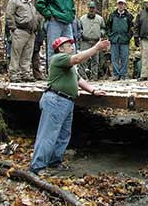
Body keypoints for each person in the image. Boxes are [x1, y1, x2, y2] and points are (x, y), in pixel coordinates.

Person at [30, 36, 110, 174]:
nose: (72, 47)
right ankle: (38, 167)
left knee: (63, 135)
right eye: (68, 45)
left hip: (66, 102)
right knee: (48, 135)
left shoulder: (69, 65)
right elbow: (78, 58)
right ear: (60, 48)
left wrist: (93, 90)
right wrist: (96, 48)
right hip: (56, 100)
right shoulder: (59, 58)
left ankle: (54, 163)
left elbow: (78, 79)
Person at [36, 0, 75, 64]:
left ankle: (70, 73)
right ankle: (53, 73)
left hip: (67, 22)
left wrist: (72, 16)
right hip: (55, 22)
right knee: (53, 48)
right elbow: (40, 4)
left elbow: (72, 6)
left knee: (71, 48)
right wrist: (49, 15)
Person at [6, 0, 40, 82]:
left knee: (27, 55)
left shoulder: (30, 3)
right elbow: (9, 14)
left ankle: (25, 73)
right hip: (20, 31)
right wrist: (13, 28)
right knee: (16, 54)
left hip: (31, 33)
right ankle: (14, 74)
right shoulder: (14, 1)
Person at [106, 0, 134, 80]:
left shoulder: (129, 16)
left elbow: (132, 28)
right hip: (114, 40)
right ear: (117, 5)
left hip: (125, 40)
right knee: (114, 58)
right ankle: (116, 74)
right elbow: (108, 27)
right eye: (119, 4)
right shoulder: (112, 15)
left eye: (122, 4)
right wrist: (110, 36)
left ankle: (123, 74)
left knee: (124, 58)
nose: (121, 6)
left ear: (125, 5)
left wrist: (128, 36)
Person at [80, 1, 106, 81]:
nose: (91, 10)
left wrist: (101, 33)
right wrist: (82, 34)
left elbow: (103, 28)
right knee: (83, 59)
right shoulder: (82, 18)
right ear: (88, 8)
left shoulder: (100, 18)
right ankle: (82, 77)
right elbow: (79, 28)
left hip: (96, 42)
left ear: (95, 9)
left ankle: (94, 77)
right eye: (90, 8)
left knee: (95, 60)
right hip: (85, 41)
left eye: (93, 8)